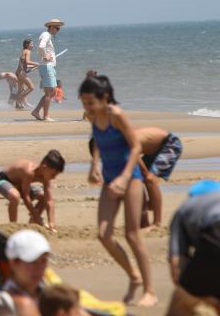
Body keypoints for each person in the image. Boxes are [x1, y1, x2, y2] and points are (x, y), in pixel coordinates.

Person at [80, 73, 157, 307]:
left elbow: (135, 146)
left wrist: (125, 177)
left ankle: (150, 291)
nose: (87, 108)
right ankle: (133, 276)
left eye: (91, 102)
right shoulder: (93, 115)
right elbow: (96, 141)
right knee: (103, 234)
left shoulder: (117, 115)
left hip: (130, 178)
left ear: (104, 98)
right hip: (109, 179)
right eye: (83, 103)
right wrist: (94, 165)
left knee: (132, 235)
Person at [89, 125, 183, 228]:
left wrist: (146, 174)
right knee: (136, 180)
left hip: (170, 144)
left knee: (149, 179)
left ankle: (157, 222)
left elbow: (137, 160)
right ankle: (144, 220)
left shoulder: (121, 142)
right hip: (153, 150)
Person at [166, 185, 220, 315]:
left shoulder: (185, 207)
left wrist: (184, 288)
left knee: (181, 300)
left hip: (215, 233)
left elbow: (176, 261)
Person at [0, 150, 65, 231]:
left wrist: (51, 221)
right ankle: (13, 226)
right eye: (53, 174)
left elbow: (49, 200)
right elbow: (25, 196)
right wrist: (36, 215)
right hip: (3, 180)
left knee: (43, 197)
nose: (54, 177)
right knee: (15, 196)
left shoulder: (46, 177)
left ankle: (32, 224)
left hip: (21, 184)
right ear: (44, 167)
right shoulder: (29, 172)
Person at [0, 229, 51, 316]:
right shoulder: (4, 303)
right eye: (32, 261)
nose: (39, 268)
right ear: (13, 262)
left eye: (44, 260)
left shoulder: (50, 294)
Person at [32, 20, 63, 122]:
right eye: (57, 28)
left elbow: (42, 48)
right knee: (51, 92)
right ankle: (46, 116)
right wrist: (45, 57)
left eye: (59, 28)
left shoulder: (46, 35)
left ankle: (36, 111)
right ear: (51, 27)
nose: (58, 30)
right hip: (47, 66)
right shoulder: (46, 35)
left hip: (46, 66)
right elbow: (41, 46)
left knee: (49, 92)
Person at [15, 39, 39, 108]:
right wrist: (36, 63)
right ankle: (19, 99)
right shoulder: (28, 51)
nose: (33, 45)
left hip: (18, 72)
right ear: (27, 45)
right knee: (31, 87)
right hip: (21, 73)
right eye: (31, 44)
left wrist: (36, 66)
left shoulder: (24, 51)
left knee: (20, 89)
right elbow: (28, 62)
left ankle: (18, 105)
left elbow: (25, 65)